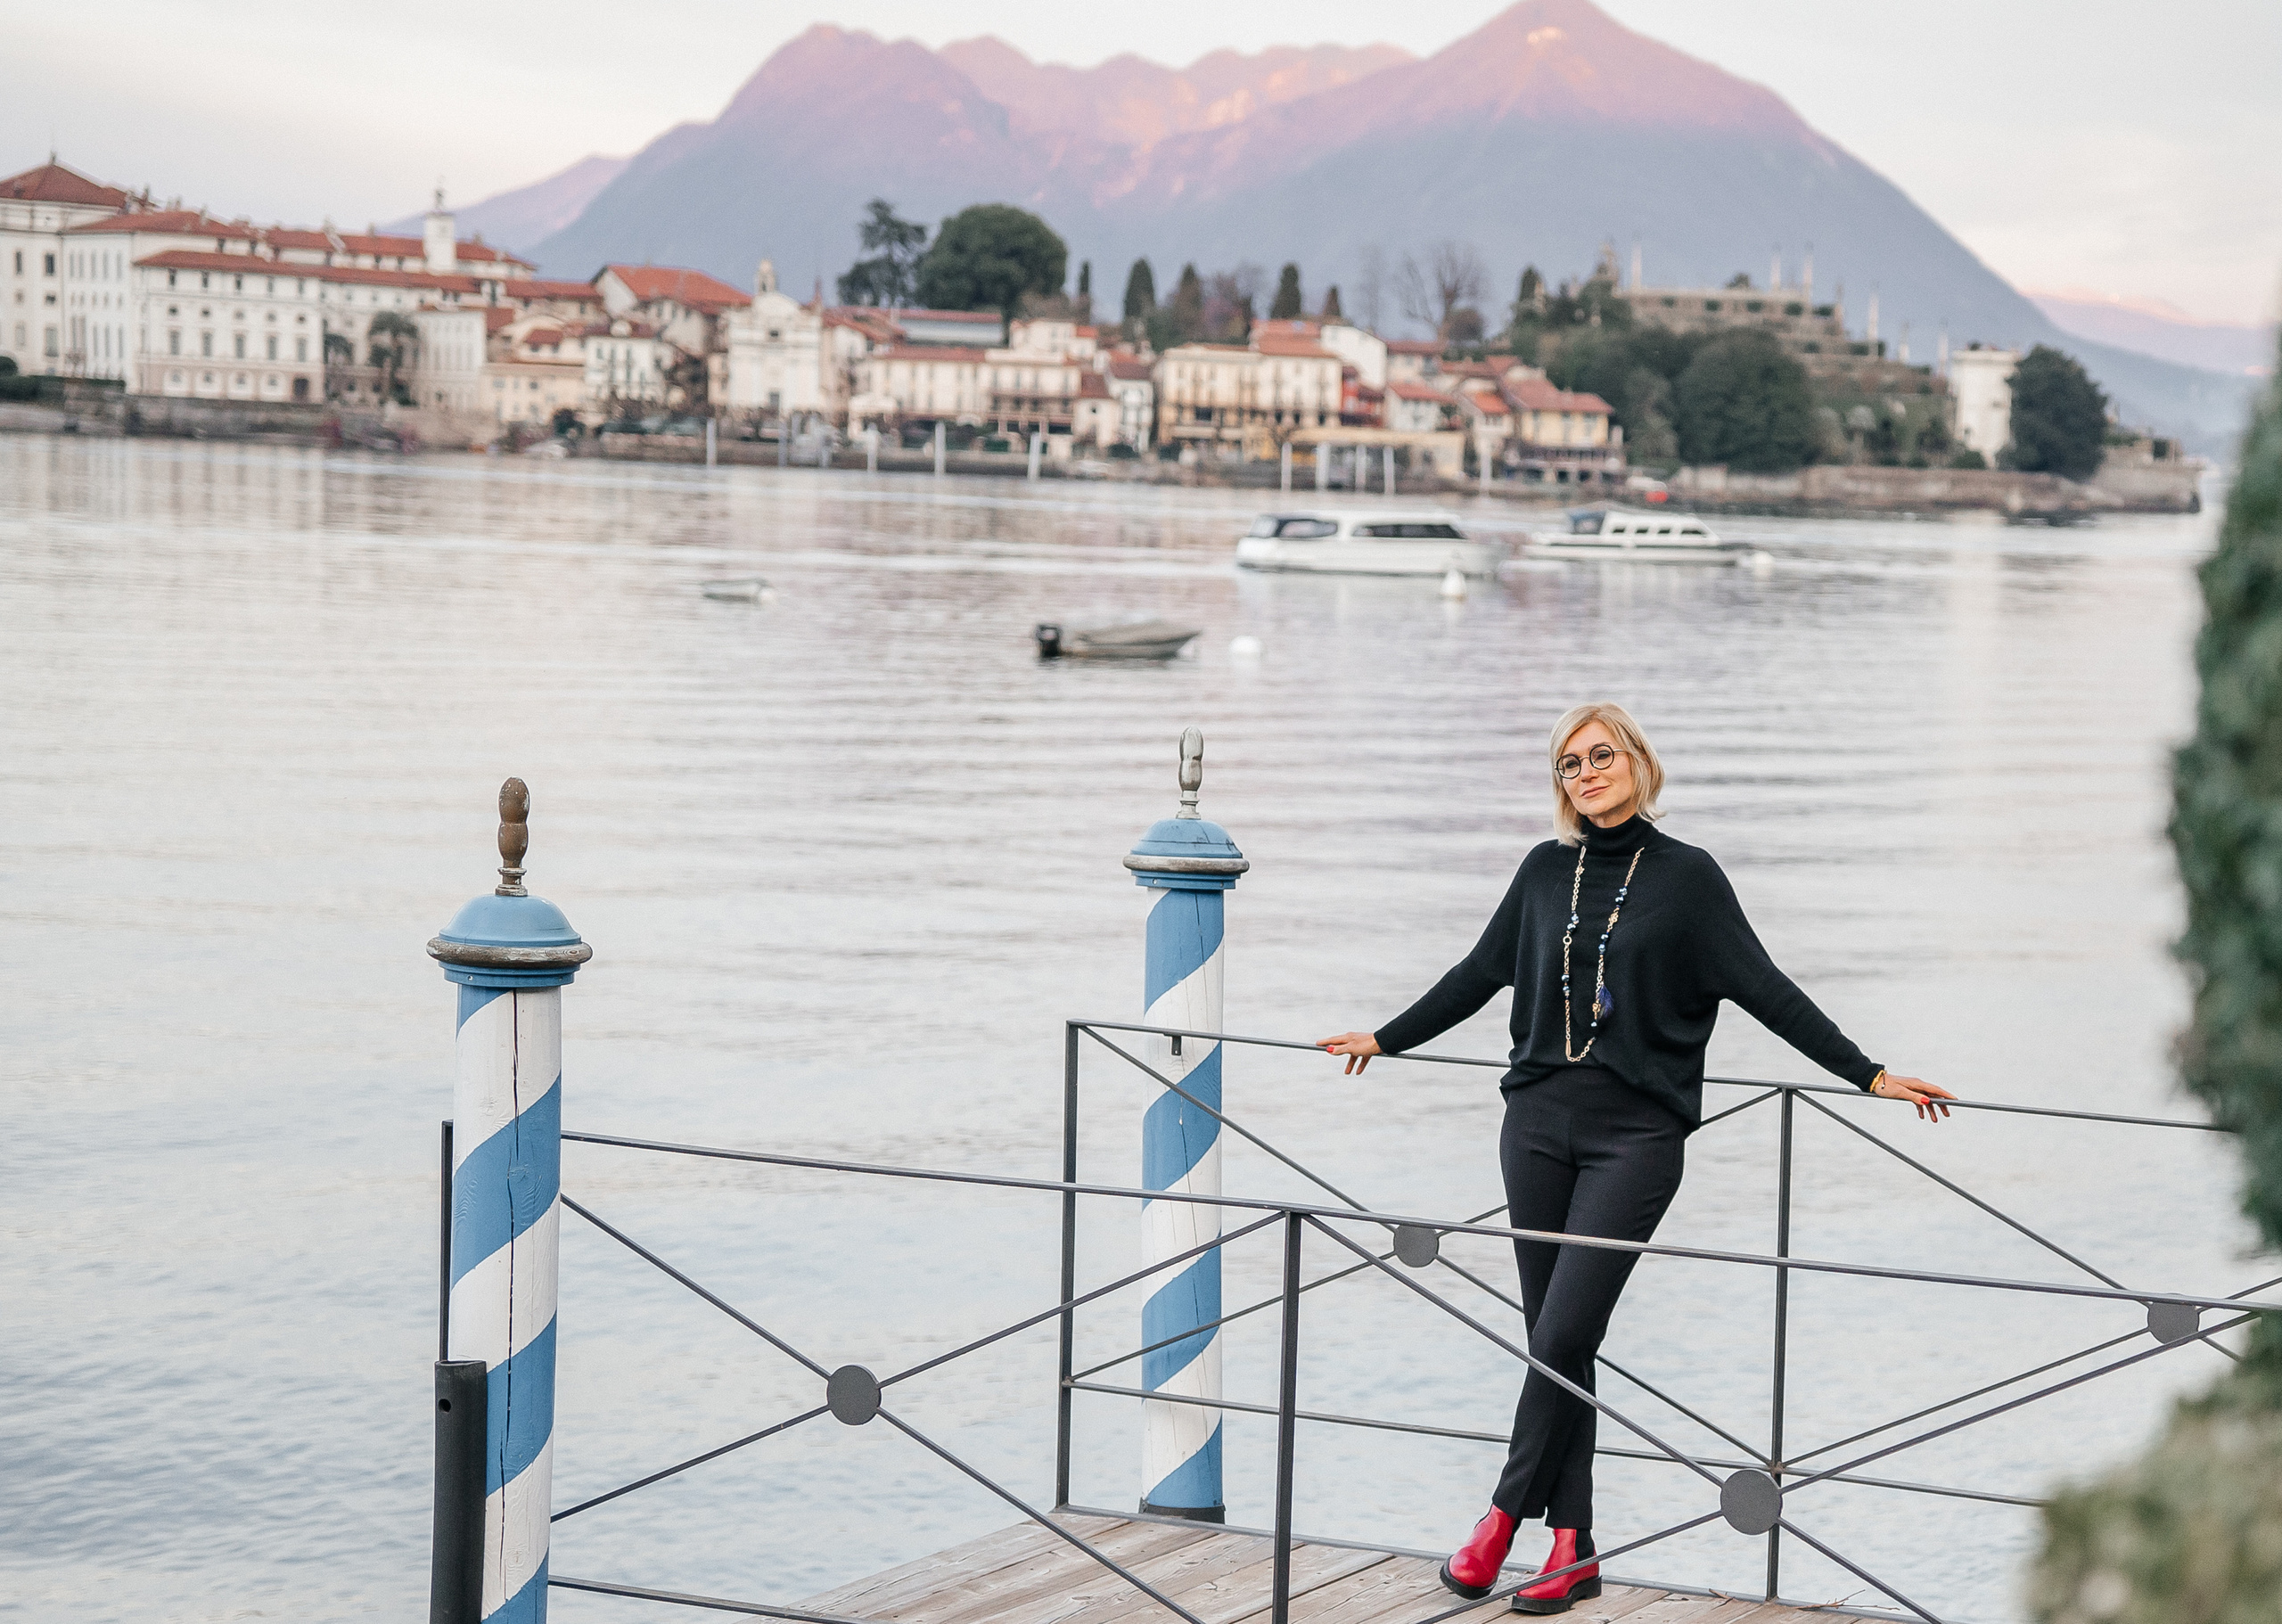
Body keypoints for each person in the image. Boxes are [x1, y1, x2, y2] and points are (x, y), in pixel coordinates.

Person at [1317, 702, 1953, 1615]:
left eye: (1600, 755)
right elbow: (1477, 970)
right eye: (1568, 765)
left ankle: (1501, 1516)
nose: (1585, 773)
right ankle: (1572, 1548)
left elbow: (1765, 987)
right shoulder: (1544, 870)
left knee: (1562, 1334)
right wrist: (1386, 1037)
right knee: (1558, 1344)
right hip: (1533, 1126)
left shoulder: (1688, 879)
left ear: (1638, 762)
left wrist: (1869, 1073)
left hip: (1635, 1140)